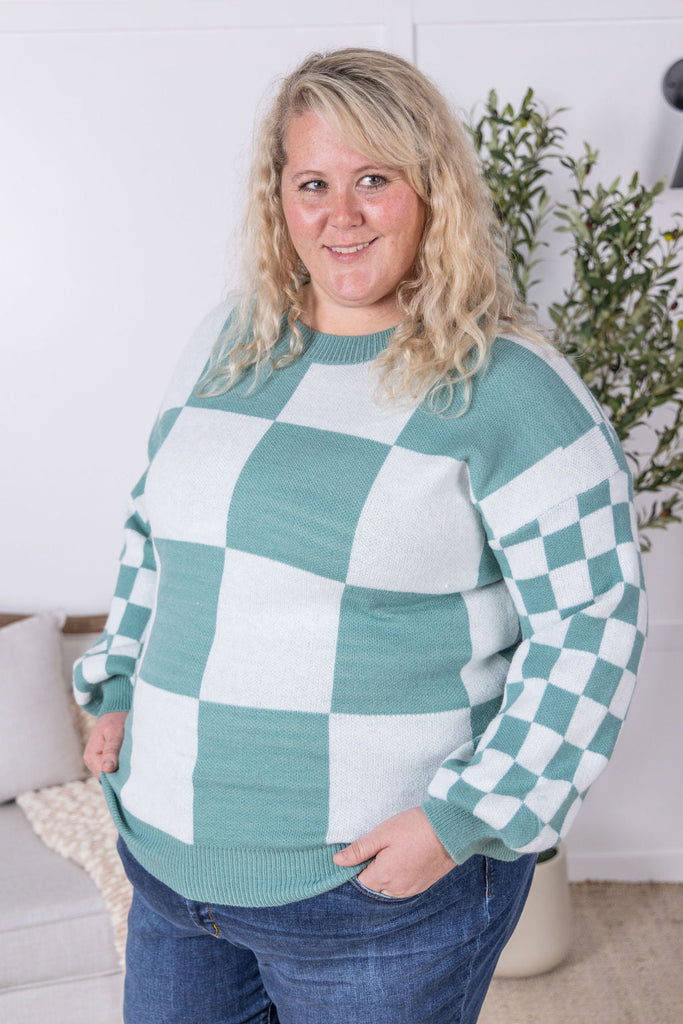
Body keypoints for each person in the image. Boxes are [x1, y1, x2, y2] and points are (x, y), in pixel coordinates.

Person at [74, 47, 647, 1024]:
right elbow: (151, 529)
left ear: (431, 192)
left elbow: (590, 623)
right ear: (279, 201)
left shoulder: (509, 388)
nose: (340, 214)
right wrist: (118, 681)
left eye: (373, 179)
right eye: (312, 184)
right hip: (170, 868)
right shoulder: (230, 339)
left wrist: (461, 817)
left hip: (367, 897)